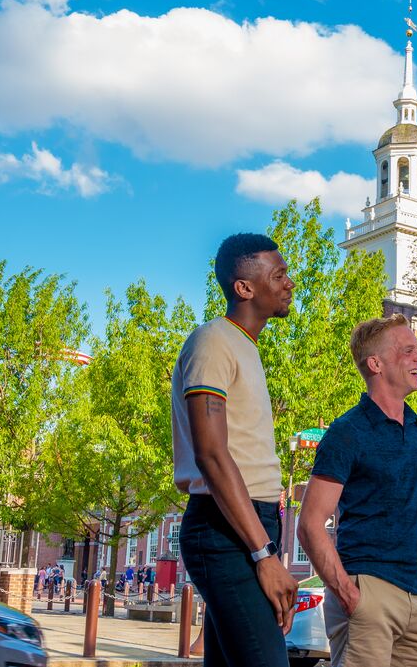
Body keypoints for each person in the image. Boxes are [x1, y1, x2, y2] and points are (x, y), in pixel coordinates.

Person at [298, 313, 417, 667]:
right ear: (376, 363)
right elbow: (309, 524)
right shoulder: (346, 432)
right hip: (367, 590)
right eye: (408, 350)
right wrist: (349, 595)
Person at [173, 233, 298, 667]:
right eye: (278, 274)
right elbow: (211, 454)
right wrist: (263, 553)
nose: (289, 283)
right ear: (243, 288)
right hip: (224, 530)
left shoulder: (246, 347)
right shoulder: (213, 341)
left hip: (249, 525)